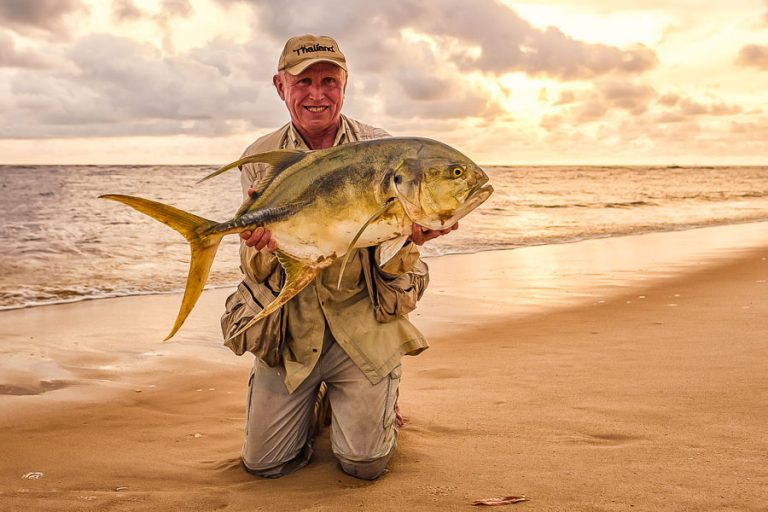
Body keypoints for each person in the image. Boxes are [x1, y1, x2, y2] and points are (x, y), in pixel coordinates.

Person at [221, 34, 457, 480]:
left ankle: (372, 398)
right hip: (293, 328)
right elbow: (254, 269)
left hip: (362, 325)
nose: (317, 94)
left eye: (329, 80)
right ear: (279, 86)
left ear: (345, 84)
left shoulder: (384, 150)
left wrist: (412, 240)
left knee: (364, 464)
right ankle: (318, 403)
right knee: (264, 464)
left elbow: (392, 265)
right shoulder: (259, 156)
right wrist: (263, 246)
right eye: (303, 81)